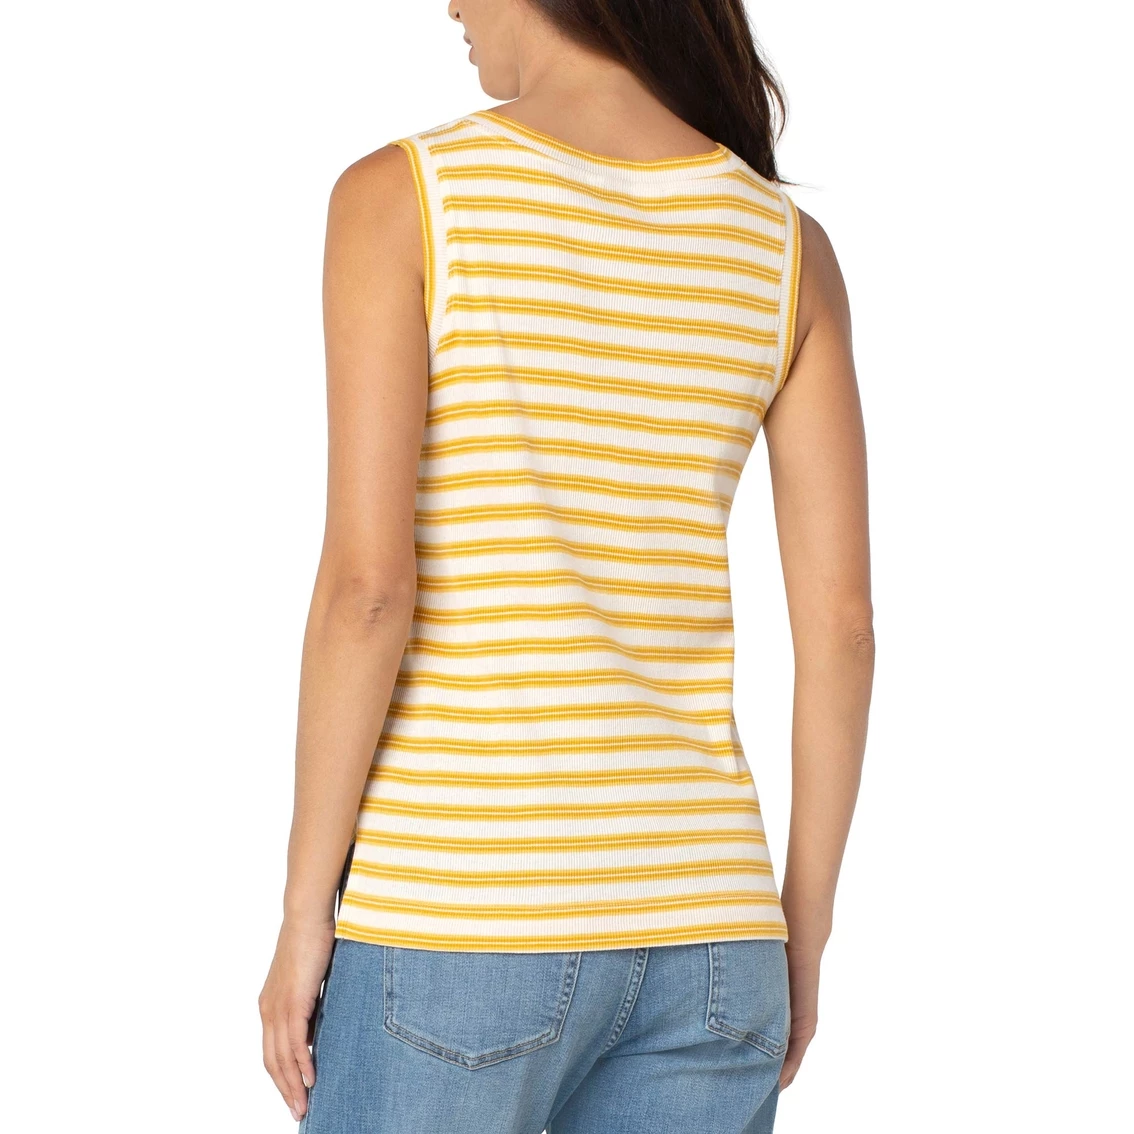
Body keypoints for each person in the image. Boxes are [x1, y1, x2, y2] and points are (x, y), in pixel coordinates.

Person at [258, 1, 874, 1130]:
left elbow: (367, 593)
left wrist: (306, 912)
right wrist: (803, 929)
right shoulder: (786, 249)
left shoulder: (408, 197)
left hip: (460, 913)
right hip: (715, 935)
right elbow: (842, 628)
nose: (449, 4)